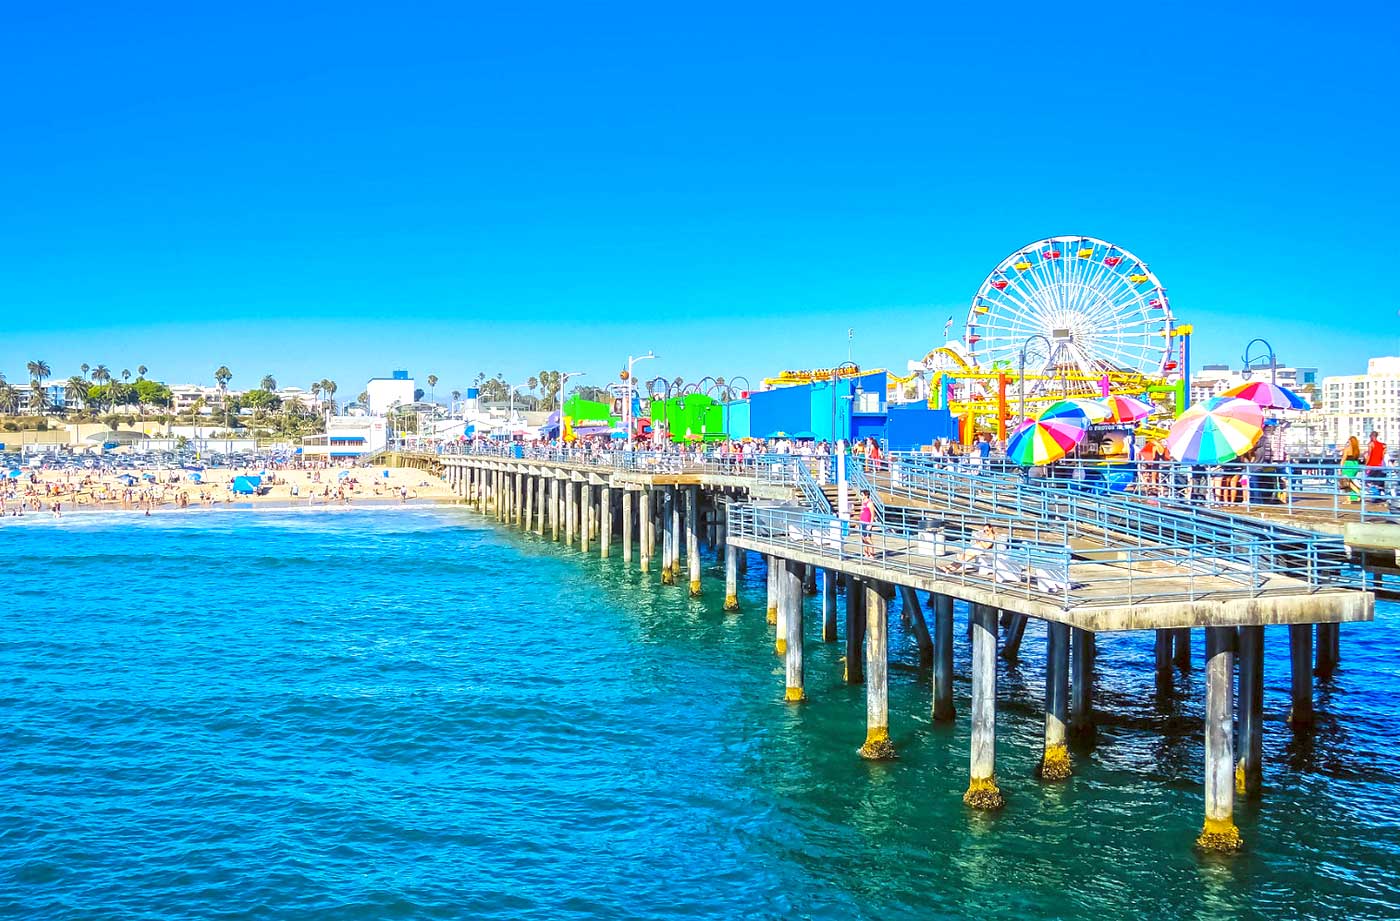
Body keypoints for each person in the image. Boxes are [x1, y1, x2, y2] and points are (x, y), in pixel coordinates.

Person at [1340, 435, 1362, 504]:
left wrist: (1340, 468)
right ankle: (1351, 498)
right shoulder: (1357, 449)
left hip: (1348, 465)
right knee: (1350, 481)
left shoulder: (1347, 449)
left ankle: (1358, 493)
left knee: (1347, 482)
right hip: (1355, 464)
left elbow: (1343, 459)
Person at [1366, 430, 1387, 498]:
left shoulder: (1371, 444)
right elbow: (1383, 456)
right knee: (1377, 481)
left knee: (1368, 481)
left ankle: (1375, 495)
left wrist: (1366, 464)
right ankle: (1377, 496)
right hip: (1379, 465)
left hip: (1372, 465)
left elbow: (1369, 455)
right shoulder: (1382, 445)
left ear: (1372, 436)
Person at [858, 489, 877, 558]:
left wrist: (870, 524)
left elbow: (872, 514)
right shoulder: (863, 502)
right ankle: (866, 553)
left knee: (868, 538)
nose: (861, 496)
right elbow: (861, 513)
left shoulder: (870, 503)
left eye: (862, 495)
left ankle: (872, 554)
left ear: (866, 495)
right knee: (863, 538)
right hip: (862, 522)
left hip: (867, 522)